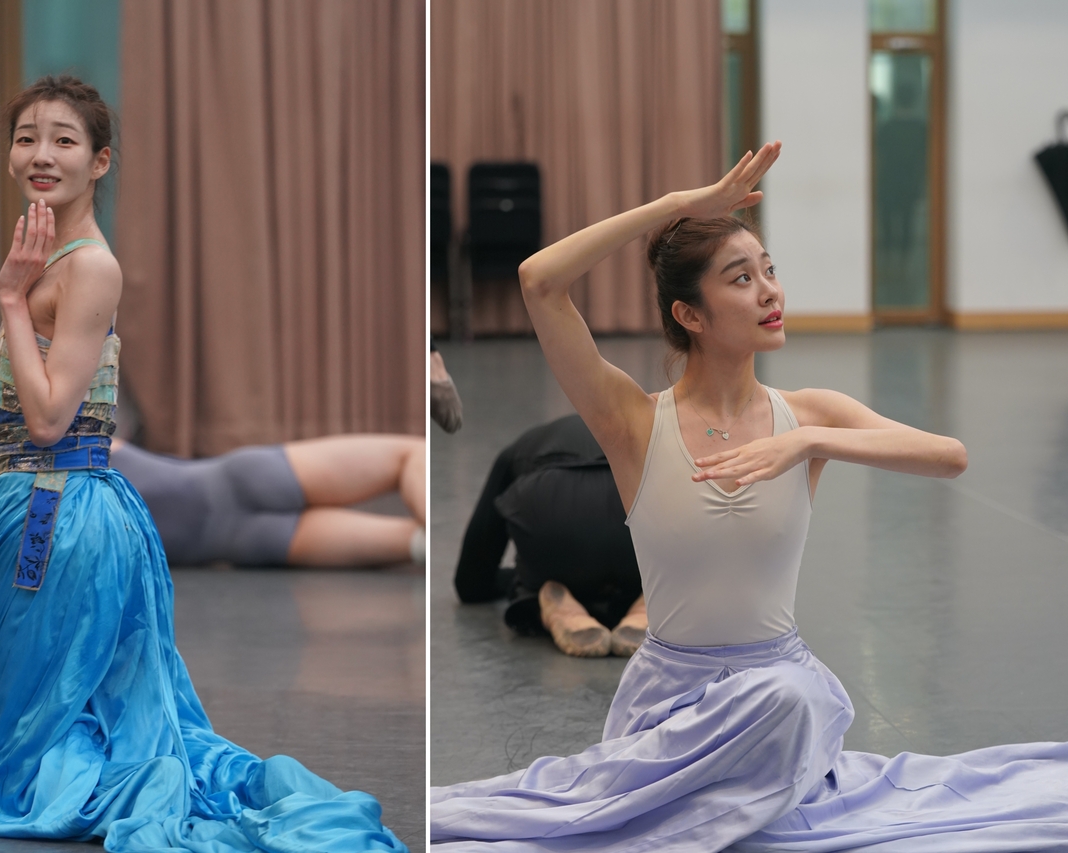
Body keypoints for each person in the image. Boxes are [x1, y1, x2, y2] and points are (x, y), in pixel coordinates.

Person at [430, 143, 1068, 850]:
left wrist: (810, 443)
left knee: (791, 697)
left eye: (770, 270)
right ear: (691, 315)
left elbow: (949, 456)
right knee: (784, 711)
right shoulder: (635, 423)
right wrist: (678, 207)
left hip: (781, 699)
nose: (770, 291)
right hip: (669, 710)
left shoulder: (806, 413)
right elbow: (539, 280)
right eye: (741, 278)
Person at [0, 75, 405, 852]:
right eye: (27, 136)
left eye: (64, 139)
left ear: (99, 162)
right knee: (26, 736)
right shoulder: (43, 255)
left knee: (19, 760)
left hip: (58, 510)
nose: (40, 153)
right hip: (35, 502)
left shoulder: (86, 267)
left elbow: (51, 417)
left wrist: (11, 304)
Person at [0, 434, 426, 568]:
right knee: (411, 454)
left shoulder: (47, 545)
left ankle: (439, 545)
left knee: (413, 543)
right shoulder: (74, 455)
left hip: (242, 545)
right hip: (242, 480)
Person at [452, 414, 647, 657]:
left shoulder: (525, 444)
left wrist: (520, 581)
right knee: (668, 571)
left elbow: (471, 582)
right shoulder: (649, 427)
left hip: (551, 508)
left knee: (537, 577)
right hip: (638, 519)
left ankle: (545, 600)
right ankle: (648, 604)